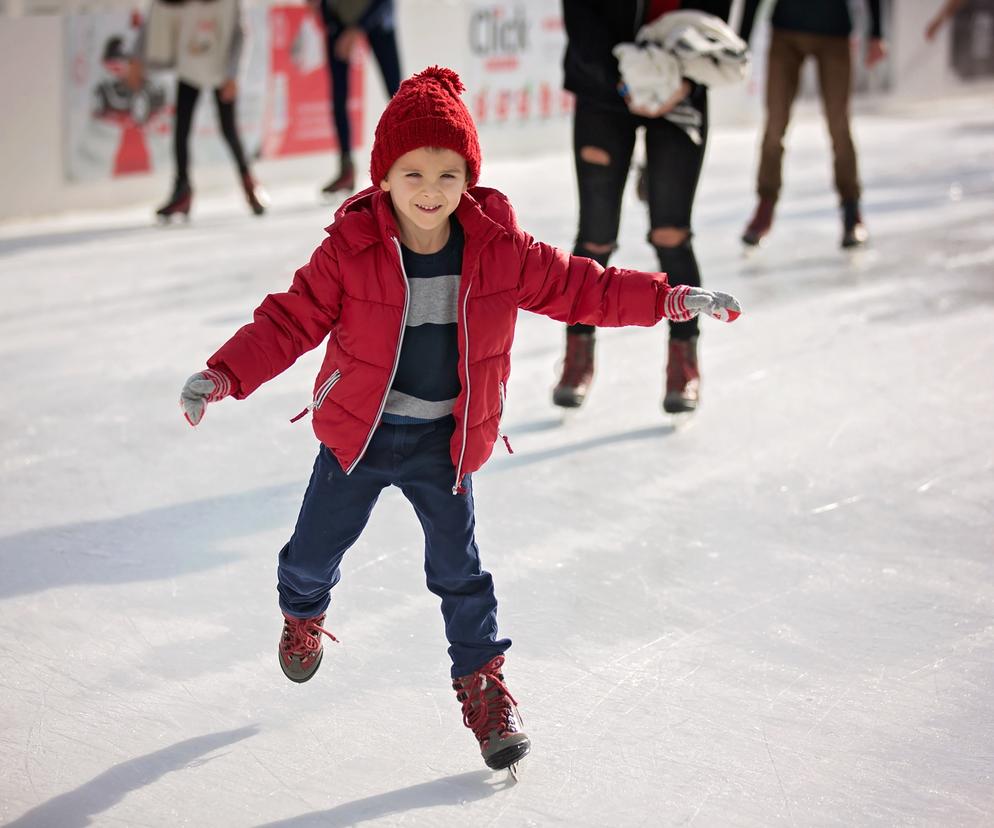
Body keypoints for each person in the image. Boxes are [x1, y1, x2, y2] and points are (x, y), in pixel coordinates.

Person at [177, 67, 741, 772]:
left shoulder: (498, 248)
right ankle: (302, 616)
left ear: (468, 177)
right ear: (383, 176)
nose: (430, 189)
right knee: (309, 557)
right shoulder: (349, 251)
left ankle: (484, 686)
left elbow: (581, 287)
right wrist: (224, 373)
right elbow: (288, 320)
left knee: (461, 573)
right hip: (361, 436)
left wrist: (671, 300)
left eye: (449, 173)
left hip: (445, 443)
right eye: (412, 171)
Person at [554, 0, 739, 415]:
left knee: (671, 233)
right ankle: (577, 358)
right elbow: (581, 19)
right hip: (601, 90)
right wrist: (622, 85)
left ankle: (683, 365)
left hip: (681, 89)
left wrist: (682, 86)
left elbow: (713, 23)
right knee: (595, 236)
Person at [739, 0, 887, 250]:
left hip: (834, 32)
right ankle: (764, 207)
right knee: (775, 124)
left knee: (839, 125)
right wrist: (741, 39)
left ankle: (851, 211)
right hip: (785, 31)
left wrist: (877, 34)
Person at [129, 0, 267, 220]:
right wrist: (136, 59)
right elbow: (155, 17)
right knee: (181, 129)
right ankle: (182, 190)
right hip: (190, 66)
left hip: (221, 69)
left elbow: (241, 35)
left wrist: (234, 75)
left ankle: (249, 183)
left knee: (228, 129)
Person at [308, 0, 402, 196]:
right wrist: (328, 18)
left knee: (397, 96)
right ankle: (346, 167)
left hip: (377, 15)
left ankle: (409, 157)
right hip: (339, 18)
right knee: (339, 97)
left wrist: (357, 29)